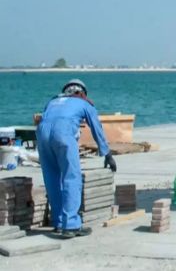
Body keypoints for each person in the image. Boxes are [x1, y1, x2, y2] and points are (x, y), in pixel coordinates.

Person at [36, 79, 117, 237]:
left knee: (52, 179)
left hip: (42, 135)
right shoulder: (85, 104)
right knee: (71, 177)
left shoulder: (53, 101)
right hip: (63, 133)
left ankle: (59, 222)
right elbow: (96, 129)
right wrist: (106, 154)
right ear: (83, 93)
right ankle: (71, 224)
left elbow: (46, 119)